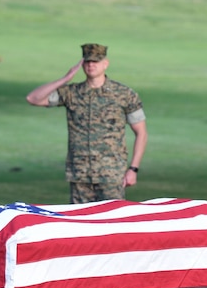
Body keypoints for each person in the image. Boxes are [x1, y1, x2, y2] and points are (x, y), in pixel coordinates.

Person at [26, 43, 148, 204]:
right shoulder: (71, 93)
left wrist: (133, 169)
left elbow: (141, 133)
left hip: (111, 174)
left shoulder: (124, 94)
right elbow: (33, 98)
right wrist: (65, 79)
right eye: (87, 62)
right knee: (79, 224)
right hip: (80, 174)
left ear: (105, 64)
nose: (91, 65)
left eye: (95, 61)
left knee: (111, 222)